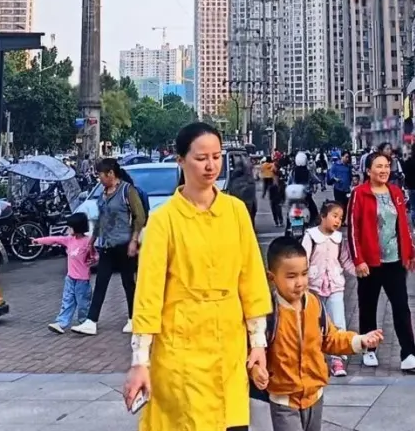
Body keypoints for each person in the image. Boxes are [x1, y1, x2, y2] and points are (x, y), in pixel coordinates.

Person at [123, 122, 272, 430]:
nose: (210, 166)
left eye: (216, 157)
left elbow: (252, 280)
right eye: (201, 158)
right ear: (180, 160)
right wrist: (140, 361)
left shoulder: (236, 211)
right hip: (181, 348)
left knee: (232, 422)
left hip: (229, 346)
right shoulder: (164, 220)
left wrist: (257, 342)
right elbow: (148, 295)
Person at [256, 236, 382, 430]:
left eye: (304, 273)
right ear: (272, 278)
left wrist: (359, 341)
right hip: (283, 400)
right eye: (291, 276)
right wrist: (256, 370)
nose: (300, 282)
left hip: (315, 396)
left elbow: (330, 338)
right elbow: (256, 349)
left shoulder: (314, 304)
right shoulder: (268, 313)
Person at [346, 151, 415, 372]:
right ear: (368, 170)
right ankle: (369, 349)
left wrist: (410, 251)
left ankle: (408, 354)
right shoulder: (359, 194)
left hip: (395, 260)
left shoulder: (395, 192)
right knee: (368, 306)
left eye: (387, 166)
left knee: (401, 307)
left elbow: (403, 224)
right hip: (369, 262)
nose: (384, 170)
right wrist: (358, 260)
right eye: (378, 166)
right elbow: (352, 229)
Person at [75, 158, 147, 336]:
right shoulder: (103, 194)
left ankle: (133, 317)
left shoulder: (127, 191)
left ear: (110, 174)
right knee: (101, 282)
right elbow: (101, 220)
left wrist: (134, 240)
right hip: (107, 245)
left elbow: (140, 217)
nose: (99, 179)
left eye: (100, 175)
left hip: (125, 244)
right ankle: (91, 321)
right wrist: (92, 241)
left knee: (128, 283)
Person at [302, 200, 356, 377]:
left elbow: (344, 260)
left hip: (335, 286)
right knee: (313, 323)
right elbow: (303, 260)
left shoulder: (339, 239)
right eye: (334, 216)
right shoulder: (311, 237)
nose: (338, 221)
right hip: (313, 287)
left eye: (340, 218)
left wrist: (358, 271)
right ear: (323, 216)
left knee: (337, 322)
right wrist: (302, 280)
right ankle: (312, 358)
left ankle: (337, 359)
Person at [37, 212, 97, 334]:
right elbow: (54, 239)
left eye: (70, 227)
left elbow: (95, 255)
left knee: (83, 303)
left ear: (78, 227)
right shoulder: (69, 240)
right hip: (70, 278)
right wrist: (38, 241)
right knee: (67, 300)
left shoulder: (87, 242)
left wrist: (94, 259)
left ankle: (85, 322)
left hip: (82, 280)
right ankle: (61, 323)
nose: (68, 229)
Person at [291, 151, 320, 226]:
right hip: (306, 195)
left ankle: (289, 227)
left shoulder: (293, 172)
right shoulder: (308, 172)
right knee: (314, 211)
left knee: (291, 211)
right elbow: (315, 179)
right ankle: (314, 224)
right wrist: (318, 182)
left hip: (296, 196)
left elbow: (289, 182)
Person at [260, 156, 281, 226]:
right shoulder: (273, 165)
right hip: (272, 180)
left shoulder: (263, 165)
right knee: (277, 204)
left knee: (265, 187)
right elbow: (276, 171)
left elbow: (261, 170)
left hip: (265, 178)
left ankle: (263, 194)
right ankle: (280, 220)